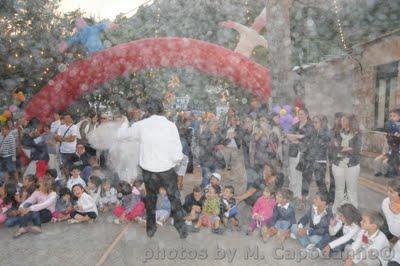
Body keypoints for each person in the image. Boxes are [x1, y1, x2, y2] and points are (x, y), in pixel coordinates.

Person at [117, 98, 187, 239]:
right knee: (174, 199)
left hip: (149, 170)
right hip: (166, 169)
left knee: (151, 199)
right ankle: (181, 229)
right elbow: (177, 151)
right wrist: (175, 161)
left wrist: (124, 122)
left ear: (148, 110)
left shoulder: (140, 125)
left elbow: (122, 136)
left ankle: (151, 229)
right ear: (161, 109)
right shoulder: (170, 125)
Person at [331, 114, 361, 210]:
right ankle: (337, 211)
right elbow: (333, 147)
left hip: (352, 165)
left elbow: (357, 150)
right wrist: (345, 148)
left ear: (350, 122)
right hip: (338, 164)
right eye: (341, 120)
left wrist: (341, 149)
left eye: (344, 120)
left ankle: (353, 212)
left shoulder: (357, 134)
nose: (341, 122)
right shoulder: (337, 133)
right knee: (339, 189)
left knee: (351, 190)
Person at [286, 108, 313, 206]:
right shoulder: (295, 125)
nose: (300, 116)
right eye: (299, 114)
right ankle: (293, 194)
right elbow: (288, 135)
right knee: (292, 174)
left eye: (302, 114)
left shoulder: (310, 126)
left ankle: (299, 196)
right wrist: (299, 137)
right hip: (293, 153)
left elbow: (307, 138)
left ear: (307, 115)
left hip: (303, 154)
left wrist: (297, 137)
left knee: (300, 175)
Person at [300, 115, 331, 198]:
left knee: (320, 182)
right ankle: (303, 198)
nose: (314, 124)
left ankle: (324, 200)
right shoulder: (312, 133)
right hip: (309, 161)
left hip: (320, 162)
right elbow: (306, 143)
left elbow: (327, 147)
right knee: (306, 180)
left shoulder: (326, 133)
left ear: (321, 123)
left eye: (316, 122)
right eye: (313, 122)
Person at [198, 120, 225, 188]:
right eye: (215, 125)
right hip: (205, 160)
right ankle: (205, 192)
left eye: (217, 125)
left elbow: (222, 142)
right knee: (207, 177)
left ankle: (210, 192)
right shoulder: (204, 134)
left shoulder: (218, 134)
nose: (217, 127)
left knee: (214, 178)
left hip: (215, 160)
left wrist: (228, 140)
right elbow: (205, 146)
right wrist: (216, 147)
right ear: (210, 126)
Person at [381, 180, 400, 265]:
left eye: (391, 192)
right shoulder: (386, 202)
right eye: (388, 190)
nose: (388, 194)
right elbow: (393, 230)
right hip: (392, 228)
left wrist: (397, 215)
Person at [385, 109, 400, 178]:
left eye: (394, 116)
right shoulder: (391, 125)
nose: (392, 118)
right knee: (391, 160)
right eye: (391, 116)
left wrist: (395, 137)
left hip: (398, 149)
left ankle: (394, 174)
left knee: (396, 161)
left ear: (399, 117)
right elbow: (388, 136)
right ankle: (391, 173)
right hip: (392, 147)